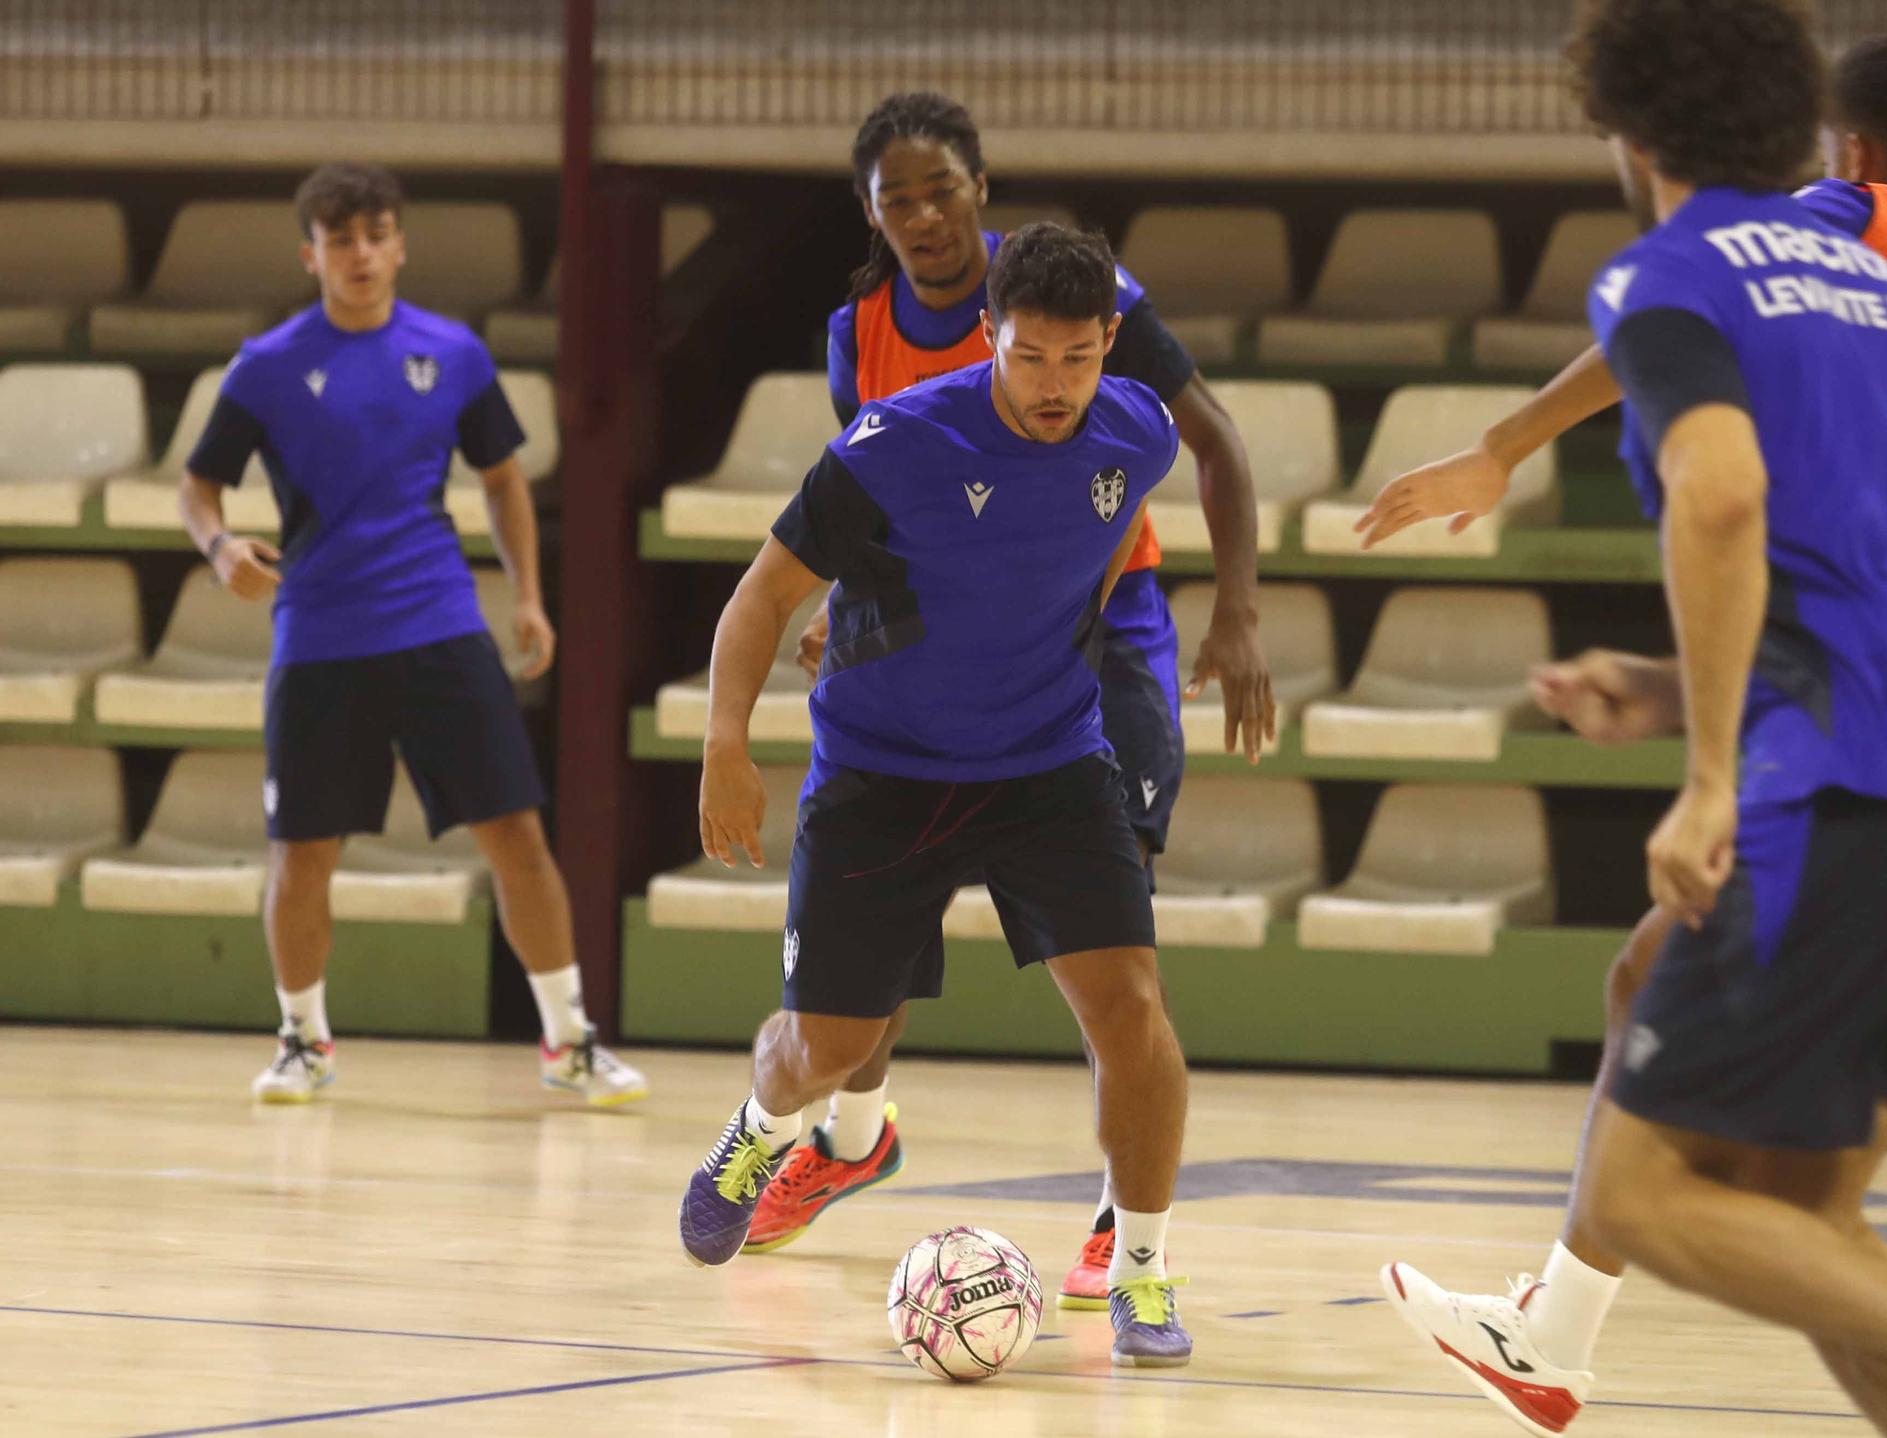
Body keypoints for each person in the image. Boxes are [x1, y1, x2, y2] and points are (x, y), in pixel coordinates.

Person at [1369, 4, 1887, 1433]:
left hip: (1844, 781)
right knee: (1806, 1229)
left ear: (1632, 137)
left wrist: (1708, 772)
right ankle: (1552, 1337)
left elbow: (1724, 498)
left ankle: (1567, 1332)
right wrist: (1669, 689)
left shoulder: (1691, 263)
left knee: (1651, 1190)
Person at [743, 91, 1273, 1312]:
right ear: (870, 214)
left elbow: (1214, 440)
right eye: (896, 198)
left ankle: (1120, 1226)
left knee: (1114, 942)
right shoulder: (857, 333)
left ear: (981, 187)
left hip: (1101, 628)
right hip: (938, 645)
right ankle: (852, 1134)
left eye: (941, 188)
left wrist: (1234, 611)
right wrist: (843, 607)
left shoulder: (1087, 297)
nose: (922, 213)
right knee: (872, 947)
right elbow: (873, 508)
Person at [678, 224, 1195, 1367]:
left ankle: (1144, 1271)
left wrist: (1049, 645)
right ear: (987, 338)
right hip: (881, 772)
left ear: (1111, 342)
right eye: (1027, 359)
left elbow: (1094, 547)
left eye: (1077, 358)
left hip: (1050, 763)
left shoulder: (1138, 432)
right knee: (823, 1046)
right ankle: (762, 1129)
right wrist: (726, 744)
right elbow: (761, 600)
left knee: (1132, 1015)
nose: (1053, 387)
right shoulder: (892, 445)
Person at [178, 162, 645, 1108]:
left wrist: (528, 598)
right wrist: (219, 544)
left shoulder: (455, 353)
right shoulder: (265, 366)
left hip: (437, 624)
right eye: (340, 239)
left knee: (516, 835)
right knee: (303, 853)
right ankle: (302, 1041)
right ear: (309, 252)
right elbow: (198, 486)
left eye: (376, 234)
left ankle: (569, 1041)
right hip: (317, 638)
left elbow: (505, 480)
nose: (360, 254)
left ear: (400, 244)